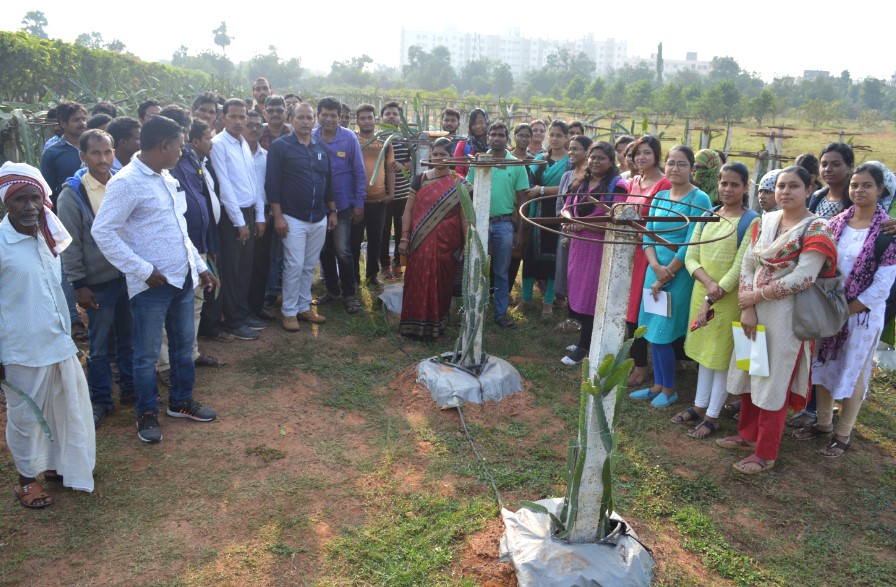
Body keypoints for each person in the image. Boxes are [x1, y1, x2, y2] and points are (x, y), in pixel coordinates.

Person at [92, 115, 219, 444]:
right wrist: (142, 269)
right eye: (178, 145)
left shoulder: (166, 176)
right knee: (146, 355)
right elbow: (103, 232)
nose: (181, 151)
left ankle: (180, 402)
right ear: (164, 146)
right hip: (151, 287)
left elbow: (179, 230)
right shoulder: (127, 182)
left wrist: (199, 265)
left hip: (182, 280)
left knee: (181, 349)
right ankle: (146, 413)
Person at [718, 165, 837, 474]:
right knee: (751, 369)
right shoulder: (767, 220)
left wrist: (756, 297)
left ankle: (766, 453)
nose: (785, 191)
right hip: (753, 310)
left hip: (787, 315)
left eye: (794, 186)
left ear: (809, 189)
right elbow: (748, 264)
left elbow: (803, 277)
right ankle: (746, 435)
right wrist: (747, 305)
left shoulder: (817, 228)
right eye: (781, 185)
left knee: (774, 380)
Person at [0, 161, 96, 506]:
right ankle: (26, 481)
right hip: (20, 349)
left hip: (56, 340)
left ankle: (57, 466)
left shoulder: (46, 236)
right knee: (26, 418)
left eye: (34, 199)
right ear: (6, 202)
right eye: (19, 200)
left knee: (62, 407)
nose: (28, 207)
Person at [793, 164, 896, 457]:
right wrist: (831, 311)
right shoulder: (836, 223)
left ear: (880, 190)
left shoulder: (888, 232)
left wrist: (845, 312)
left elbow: (881, 289)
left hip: (861, 317)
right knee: (824, 366)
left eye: (867, 185)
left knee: (854, 374)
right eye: (855, 185)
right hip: (829, 312)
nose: (859, 190)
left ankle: (844, 433)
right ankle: (824, 423)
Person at [672, 162, 759, 438]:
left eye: (735, 184)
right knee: (703, 353)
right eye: (724, 183)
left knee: (720, 357)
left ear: (746, 187)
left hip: (727, 299)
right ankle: (699, 405)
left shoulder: (751, 220)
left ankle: (713, 415)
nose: (728, 189)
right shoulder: (708, 214)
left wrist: (714, 292)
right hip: (703, 292)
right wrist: (707, 284)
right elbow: (690, 254)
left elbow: (740, 266)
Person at [57, 129, 135, 427]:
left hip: (126, 277)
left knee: (128, 339)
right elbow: (71, 245)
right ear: (83, 156)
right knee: (99, 345)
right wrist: (79, 285)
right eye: (95, 153)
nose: (103, 159)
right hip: (96, 283)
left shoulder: (121, 183)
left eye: (107, 152)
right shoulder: (72, 194)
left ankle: (130, 391)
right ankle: (101, 400)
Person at [630, 145, 712, 408]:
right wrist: (654, 266)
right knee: (652, 332)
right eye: (671, 163)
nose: (675, 168)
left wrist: (666, 274)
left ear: (691, 168)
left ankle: (670, 389)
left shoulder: (699, 199)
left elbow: (691, 242)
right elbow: (648, 234)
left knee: (663, 333)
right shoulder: (661, 196)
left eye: (682, 164)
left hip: (679, 274)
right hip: (654, 271)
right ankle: (656, 386)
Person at [266, 102, 336, 332]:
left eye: (309, 117)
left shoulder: (320, 146)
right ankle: (288, 312)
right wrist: (278, 216)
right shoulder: (281, 147)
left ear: (314, 120)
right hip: (292, 217)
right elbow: (272, 183)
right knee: (294, 264)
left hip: (318, 216)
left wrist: (332, 211)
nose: (306, 121)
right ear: (292, 120)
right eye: (301, 117)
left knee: (308, 265)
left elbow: (328, 182)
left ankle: (304, 307)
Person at [560, 141, 629, 365]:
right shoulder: (581, 183)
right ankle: (586, 339)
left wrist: (584, 226)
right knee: (578, 292)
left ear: (611, 162)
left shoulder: (616, 187)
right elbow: (567, 207)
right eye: (593, 157)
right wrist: (570, 222)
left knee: (592, 295)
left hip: (599, 248)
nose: (595, 161)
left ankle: (583, 348)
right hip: (579, 247)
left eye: (601, 158)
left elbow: (617, 223)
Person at [397, 138, 468, 339]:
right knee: (415, 279)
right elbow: (408, 210)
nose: (439, 158)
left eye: (443, 155)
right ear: (431, 156)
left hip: (448, 244)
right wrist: (404, 237)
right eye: (435, 154)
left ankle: (436, 326)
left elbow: (464, 216)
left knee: (442, 283)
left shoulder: (460, 183)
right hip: (420, 241)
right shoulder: (419, 179)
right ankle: (412, 326)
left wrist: (467, 243)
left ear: (451, 157)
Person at [210, 98, 268, 340]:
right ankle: (233, 320)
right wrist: (239, 222)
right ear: (223, 118)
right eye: (232, 116)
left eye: (241, 116)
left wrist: (259, 215)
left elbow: (253, 182)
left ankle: (242, 314)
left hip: (249, 212)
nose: (238, 121)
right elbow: (225, 187)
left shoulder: (243, 142)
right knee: (232, 272)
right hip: (231, 217)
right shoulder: (218, 144)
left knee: (246, 269)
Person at [466, 122, 529, 329]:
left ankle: (500, 313)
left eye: (501, 135)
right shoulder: (480, 161)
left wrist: (520, 231)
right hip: (480, 220)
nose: (497, 138)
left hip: (504, 223)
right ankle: (475, 308)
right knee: (477, 266)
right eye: (493, 134)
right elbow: (470, 189)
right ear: (488, 137)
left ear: (506, 138)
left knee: (501, 270)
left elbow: (522, 200)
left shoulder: (516, 164)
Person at [624, 136, 672, 387]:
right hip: (627, 250)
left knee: (640, 308)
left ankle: (643, 367)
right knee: (628, 307)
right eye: (637, 153)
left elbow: (657, 221)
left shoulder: (663, 185)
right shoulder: (634, 181)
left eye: (647, 153)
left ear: (656, 155)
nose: (641, 158)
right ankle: (635, 360)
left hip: (648, 252)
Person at [313, 96, 366, 314]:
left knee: (343, 250)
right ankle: (332, 290)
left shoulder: (348, 138)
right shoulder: (312, 137)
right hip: (318, 206)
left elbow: (359, 173)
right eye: (324, 115)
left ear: (339, 117)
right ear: (318, 116)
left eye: (332, 115)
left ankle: (350, 293)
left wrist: (359, 204)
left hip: (344, 204)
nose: (328, 119)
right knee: (324, 249)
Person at [39, 101, 87, 341]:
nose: (82, 123)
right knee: (68, 269)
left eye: (83, 118)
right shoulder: (54, 152)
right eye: (76, 119)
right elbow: (45, 190)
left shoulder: (92, 146)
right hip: (64, 218)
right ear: (63, 123)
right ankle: (74, 318)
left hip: (90, 217)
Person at [520, 120, 570, 317]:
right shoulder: (541, 158)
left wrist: (542, 190)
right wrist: (536, 190)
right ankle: (525, 300)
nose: (555, 138)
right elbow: (528, 185)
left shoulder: (570, 162)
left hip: (557, 215)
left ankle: (547, 303)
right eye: (553, 134)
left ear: (566, 138)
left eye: (559, 135)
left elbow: (568, 189)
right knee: (529, 257)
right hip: (536, 214)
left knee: (552, 261)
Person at [553, 134, 591, 334]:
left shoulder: (591, 178)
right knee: (566, 271)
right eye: (571, 148)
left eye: (576, 149)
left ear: (587, 152)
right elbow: (561, 203)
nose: (571, 153)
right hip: (566, 230)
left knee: (582, 276)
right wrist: (564, 225)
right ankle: (572, 317)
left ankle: (582, 320)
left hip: (586, 234)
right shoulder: (567, 176)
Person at [353, 103, 395, 289]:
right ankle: (353, 277)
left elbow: (390, 168)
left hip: (378, 200)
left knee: (375, 240)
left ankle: (372, 275)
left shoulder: (384, 141)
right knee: (354, 240)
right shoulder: (352, 139)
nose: (366, 121)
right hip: (357, 202)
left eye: (369, 117)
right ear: (357, 121)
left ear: (375, 119)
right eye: (362, 118)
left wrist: (391, 193)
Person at [379, 102, 412, 280]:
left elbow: (416, 160)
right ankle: (384, 264)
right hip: (383, 194)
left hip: (403, 193)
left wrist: (403, 165)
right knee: (383, 231)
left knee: (401, 230)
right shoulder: (378, 139)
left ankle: (399, 262)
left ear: (400, 118)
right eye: (388, 114)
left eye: (395, 114)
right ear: (381, 118)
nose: (391, 116)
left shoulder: (407, 138)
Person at [808, 142, 854, 219]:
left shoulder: (856, 199)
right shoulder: (817, 197)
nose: (827, 169)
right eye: (824, 164)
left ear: (849, 167)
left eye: (836, 164)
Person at [453, 108, 489, 177]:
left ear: (487, 122)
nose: (478, 126)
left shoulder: (493, 144)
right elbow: (458, 172)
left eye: (481, 122)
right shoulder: (463, 145)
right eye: (474, 123)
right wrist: (467, 186)